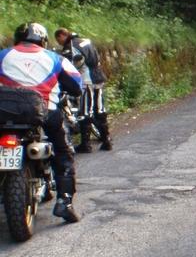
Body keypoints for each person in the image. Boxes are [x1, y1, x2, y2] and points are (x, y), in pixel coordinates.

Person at [0, 23, 83, 222]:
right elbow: (76, 84)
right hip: (45, 112)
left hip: (5, 112)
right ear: (43, 40)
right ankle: (65, 202)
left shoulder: (3, 55)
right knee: (63, 151)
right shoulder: (55, 58)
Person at [54, 28, 112, 152]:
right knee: (100, 109)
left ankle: (86, 145)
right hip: (98, 77)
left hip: (87, 80)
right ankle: (106, 140)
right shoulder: (86, 40)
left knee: (86, 111)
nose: (58, 42)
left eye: (58, 39)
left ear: (62, 36)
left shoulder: (70, 46)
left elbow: (69, 64)